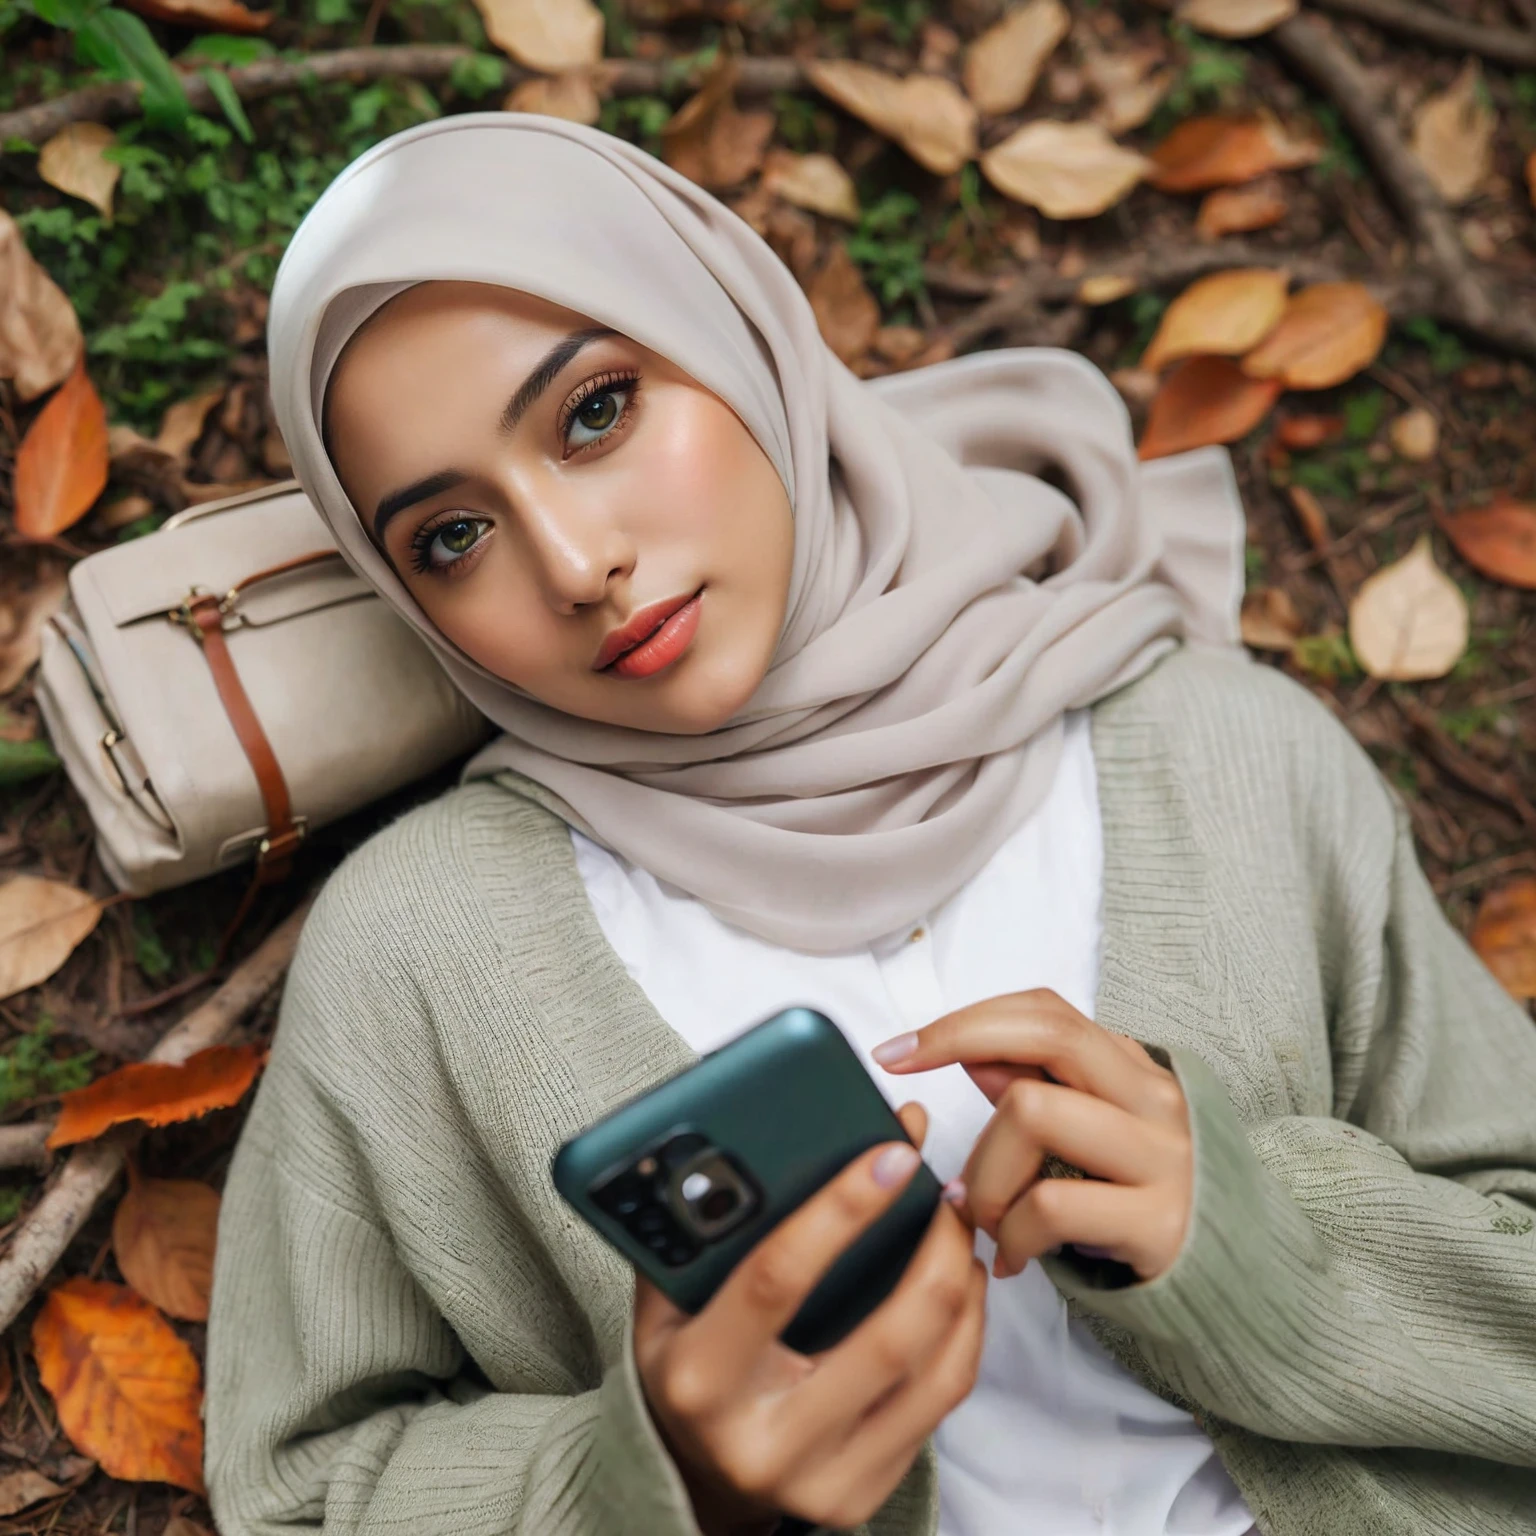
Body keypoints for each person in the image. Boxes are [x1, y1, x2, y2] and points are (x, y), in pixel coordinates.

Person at [203, 113, 1536, 1536]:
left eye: (595, 411)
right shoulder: (420, 956)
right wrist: (653, 1487)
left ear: (739, 341)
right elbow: (300, 1491)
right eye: (450, 538)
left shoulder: (1227, 752)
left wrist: (1267, 1248)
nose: (578, 563)